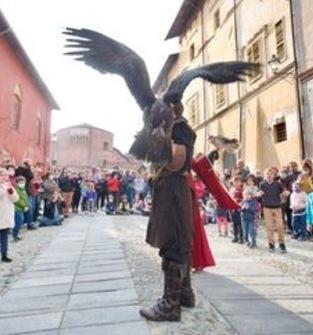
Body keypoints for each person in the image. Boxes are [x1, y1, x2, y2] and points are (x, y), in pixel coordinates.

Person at [140, 103, 196, 322]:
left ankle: (169, 306)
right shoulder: (177, 127)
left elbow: (176, 161)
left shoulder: (178, 128)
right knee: (179, 242)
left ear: (172, 107)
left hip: (173, 190)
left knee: (173, 243)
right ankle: (184, 293)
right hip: (172, 190)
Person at [260, 168, 287, 253]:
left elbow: (283, 193)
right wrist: (258, 194)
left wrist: (285, 194)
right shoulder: (262, 184)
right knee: (269, 227)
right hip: (267, 207)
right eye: (267, 173)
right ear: (265, 175)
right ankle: (271, 244)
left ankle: (281, 243)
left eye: (271, 174)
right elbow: (260, 193)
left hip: (277, 207)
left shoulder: (278, 184)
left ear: (274, 175)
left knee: (280, 226)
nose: (269, 175)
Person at [0, 168, 19, 262]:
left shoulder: (9, 186)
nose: (4, 177)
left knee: (4, 235)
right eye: (2, 175)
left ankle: (4, 254)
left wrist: (11, 192)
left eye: (5, 175)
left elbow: (16, 199)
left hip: (6, 214)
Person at [298, 159, 313, 237]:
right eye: (304, 168)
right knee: (308, 215)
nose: (305, 170)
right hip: (306, 196)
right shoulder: (302, 176)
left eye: (306, 168)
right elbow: (297, 185)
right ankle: (309, 231)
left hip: (311, 195)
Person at [13, 176, 29, 241]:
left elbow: (25, 198)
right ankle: (15, 235)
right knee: (18, 222)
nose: (22, 183)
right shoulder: (16, 190)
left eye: (23, 182)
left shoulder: (23, 190)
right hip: (17, 208)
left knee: (20, 221)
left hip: (22, 208)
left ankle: (17, 234)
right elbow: (18, 200)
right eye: (20, 182)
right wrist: (24, 206)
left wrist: (27, 205)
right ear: (16, 183)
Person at [230, 176, 244, 243]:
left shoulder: (242, 190)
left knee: (240, 224)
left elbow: (243, 200)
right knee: (234, 223)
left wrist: (240, 205)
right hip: (232, 209)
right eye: (235, 182)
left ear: (240, 183)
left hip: (239, 208)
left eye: (238, 182)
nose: (236, 183)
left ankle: (241, 237)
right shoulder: (231, 189)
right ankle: (235, 236)